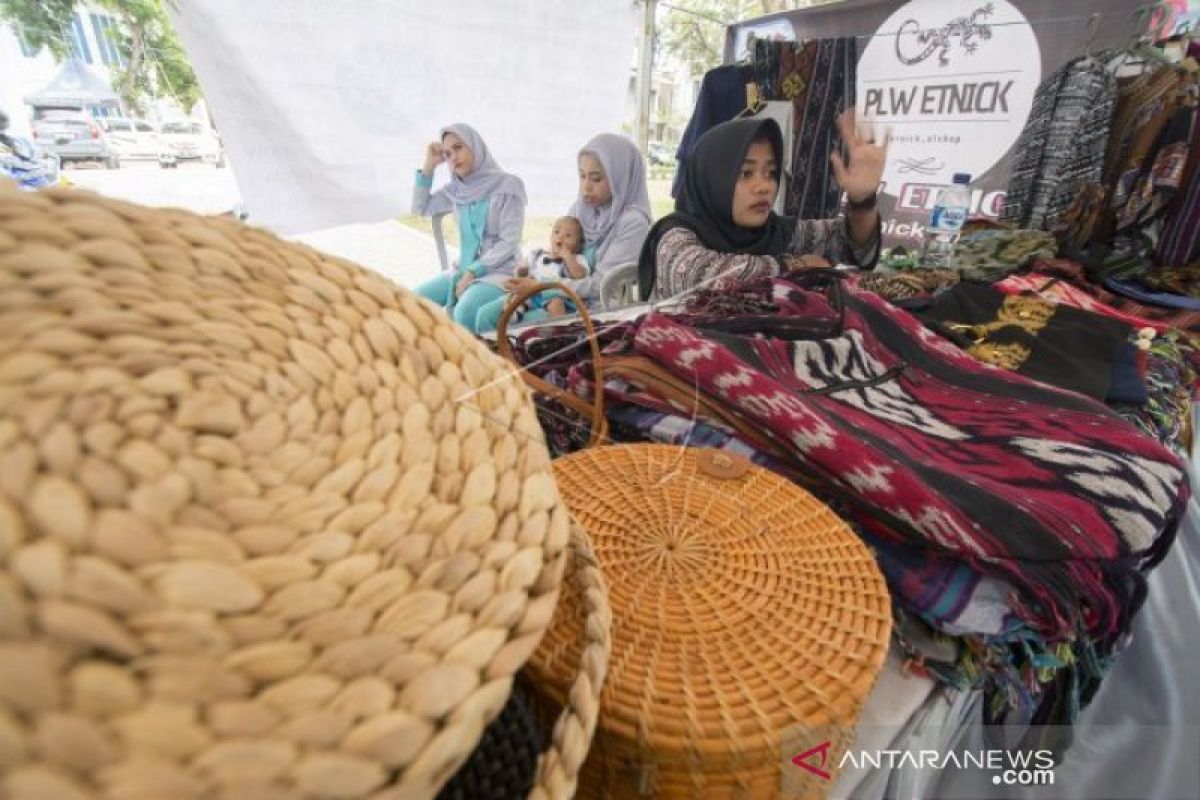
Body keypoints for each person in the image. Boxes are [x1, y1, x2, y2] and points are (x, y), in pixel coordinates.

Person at [638, 111, 884, 302]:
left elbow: (849, 242)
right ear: (712, 178)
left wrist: (862, 201)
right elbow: (697, 275)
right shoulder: (675, 236)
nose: (764, 186)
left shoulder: (776, 232)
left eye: (771, 173)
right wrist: (795, 267)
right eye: (746, 173)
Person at [500, 133, 651, 315]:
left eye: (596, 179)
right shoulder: (582, 208)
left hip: (595, 311)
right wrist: (530, 272)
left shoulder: (633, 223)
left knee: (499, 321)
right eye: (582, 176)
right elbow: (557, 250)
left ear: (621, 178)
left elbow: (600, 286)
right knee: (486, 314)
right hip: (560, 294)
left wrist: (541, 286)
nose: (585, 188)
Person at [411, 123, 526, 333]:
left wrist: (473, 272)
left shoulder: (508, 186)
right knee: (414, 302)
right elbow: (420, 208)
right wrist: (429, 166)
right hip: (463, 268)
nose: (453, 157)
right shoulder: (456, 190)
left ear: (475, 146)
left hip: (500, 270)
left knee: (465, 312)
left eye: (458, 147)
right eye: (447, 153)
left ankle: (473, 362)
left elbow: (509, 243)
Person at [508, 215, 590, 322]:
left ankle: (560, 327)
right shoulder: (538, 254)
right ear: (550, 236)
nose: (560, 237)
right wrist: (522, 271)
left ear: (578, 245)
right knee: (518, 297)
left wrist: (568, 257)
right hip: (534, 294)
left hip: (556, 295)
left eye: (568, 235)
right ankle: (514, 315)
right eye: (556, 232)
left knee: (556, 304)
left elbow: (580, 275)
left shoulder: (577, 258)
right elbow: (525, 270)